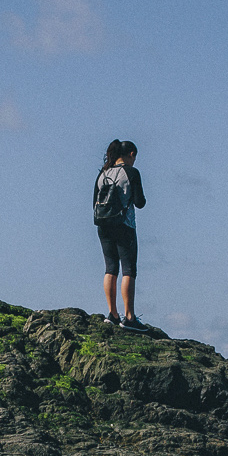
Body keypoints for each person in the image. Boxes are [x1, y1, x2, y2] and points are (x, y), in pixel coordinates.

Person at [92, 139, 147, 329]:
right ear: (131, 154)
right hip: (124, 224)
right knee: (129, 270)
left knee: (110, 268)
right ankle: (129, 317)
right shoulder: (131, 172)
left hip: (103, 225)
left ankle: (113, 314)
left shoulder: (103, 173)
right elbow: (140, 202)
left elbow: (94, 203)